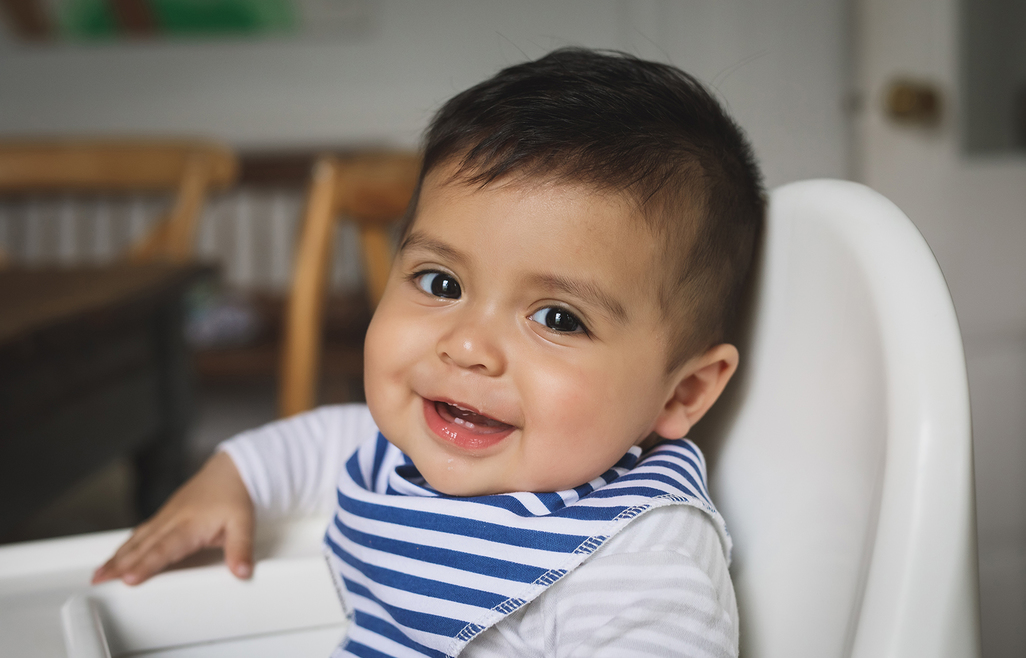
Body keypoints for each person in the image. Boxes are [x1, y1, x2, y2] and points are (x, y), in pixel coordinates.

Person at [94, 47, 764, 657]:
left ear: (684, 392)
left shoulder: (638, 558)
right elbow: (309, 447)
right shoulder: (399, 449)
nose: (468, 346)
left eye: (557, 317)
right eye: (441, 283)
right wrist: (226, 483)